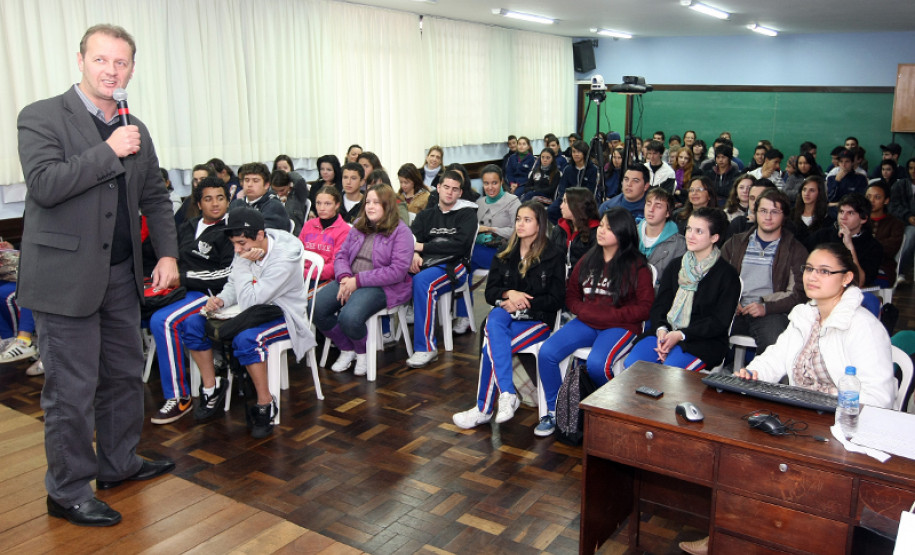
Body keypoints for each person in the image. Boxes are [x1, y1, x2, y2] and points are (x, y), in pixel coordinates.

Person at [16, 24, 179, 527]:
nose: (112, 71)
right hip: (64, 280)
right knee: (71, 389)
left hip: (120, 279)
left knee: (125, 377)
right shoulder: (41, 116)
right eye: (102, 60)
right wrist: (108, 150)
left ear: (133, 68)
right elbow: (45, 185)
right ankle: (66, 491)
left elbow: (154, 195)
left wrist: (169, 255)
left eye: (122, 63)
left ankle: (118, 463)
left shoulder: (137, 127)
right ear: (81, 61)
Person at [185, 207, 315, 438]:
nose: (237, 250)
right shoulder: (246, 247)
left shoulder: (284, 259)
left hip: (284, 313)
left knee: (246, 339)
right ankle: (211, 388)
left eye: (242, 244)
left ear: (260, 235)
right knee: (193, 324)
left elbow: (250, 300)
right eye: (234, 244)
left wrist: (244, 265)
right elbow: (235, 286)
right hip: (253, 311)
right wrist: (221, 300)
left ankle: (265, 403)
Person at [536, 208, 655, 436]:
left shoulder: (638, 266)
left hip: (621, 326)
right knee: (548, 352)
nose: (601, 231)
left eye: (609, 228)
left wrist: (608, 316)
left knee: (597, 365)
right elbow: (570, 294)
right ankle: (555, 411)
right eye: (601, 225)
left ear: (622, 233)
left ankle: (607, 412)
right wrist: (583, 310)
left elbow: (644, 308)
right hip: (587, 321)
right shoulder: (588, 259)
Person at [737, 242, 895, 408]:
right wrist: (750, 374)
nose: (812, 277)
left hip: (846, 423)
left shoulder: (864, 327)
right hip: (803, 415)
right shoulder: (805, 316)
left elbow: (879, 398)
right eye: (809, 268)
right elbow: (773, 359)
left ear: (846, 278)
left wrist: (823, 401)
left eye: (824, 271)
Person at [451, 202, 566, 430]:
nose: (520, 224)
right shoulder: (505, 253)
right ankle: (506, 393)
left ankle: (484, 409)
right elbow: (491, 293)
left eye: (527, 220)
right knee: (494, 319)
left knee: (490, 347)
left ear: (540, 224)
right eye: (518, 219)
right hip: (506, 317)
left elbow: (556, 300)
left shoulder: (553, 255)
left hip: (537, 319)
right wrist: (508, 293)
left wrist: (522, 302)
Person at [148, 177, 235, 425]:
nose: (215, 204)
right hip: (180, 291)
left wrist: (182, 278)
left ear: (228, 200)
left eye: (220, 198)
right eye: (208, 199)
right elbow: (170, 255)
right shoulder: (189, 225)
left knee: (162, 321)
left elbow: (226, 274)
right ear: (199, 203)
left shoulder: (230, 231)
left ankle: (179, 397)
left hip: (208, 294)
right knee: (138, 308)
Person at [313, 184, 413, 376]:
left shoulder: (401, 232)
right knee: (316, 308)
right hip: (349, 279)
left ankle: (362, 352)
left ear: (388, 205)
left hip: (383, 286)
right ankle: (347, 348)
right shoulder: (359, 224)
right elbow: (341, 255)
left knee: (349, 317)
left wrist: (357, 281)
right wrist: (344, 277)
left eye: (376, 202)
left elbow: (397, 271)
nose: (370, 207)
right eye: (368, 202)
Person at [624, 208, 740, 371]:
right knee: (632, 367)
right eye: (689, 229)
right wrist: (662, 330)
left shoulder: (727, 275)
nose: (690, 236)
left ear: (714, 237)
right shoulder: (676, 266)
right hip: (667, 332)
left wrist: (680, 335)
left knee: (669, 374)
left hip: (703, 342)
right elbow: (660, 306)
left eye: (699, 231)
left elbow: (719, 322)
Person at [721, 189, 808, 356]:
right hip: (734, 309)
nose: (768, 217)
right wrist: (730, 301)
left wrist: (766, 307)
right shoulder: (735, 243)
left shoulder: (795, 250)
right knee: (702, 329)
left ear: (784, 216)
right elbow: (717, 279)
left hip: (771, 312)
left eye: (775, 212)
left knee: (774, 341)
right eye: (763, 211)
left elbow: (799, 294)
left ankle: (761, 381)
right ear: (755, 212)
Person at [405, 170, 478, 368]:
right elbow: (411, 240)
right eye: (446, 187)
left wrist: (423, 247)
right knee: (394, 272)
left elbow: (459, 246)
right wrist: (414, 253)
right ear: (438, 188)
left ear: (460, 193)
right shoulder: (425, 216)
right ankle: (385, 331)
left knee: (423, 282)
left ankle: (426, 348)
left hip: (455, 265)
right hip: (426, 263)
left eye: (455, 189)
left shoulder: (467, 215)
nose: (449, 193)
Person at [806, 194, 883, 287]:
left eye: (850, 213)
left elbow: (860, 282)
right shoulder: (822, 235)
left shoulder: (873, 246)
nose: (843, 217)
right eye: (841, 212)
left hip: (851, 293)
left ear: (864, 219)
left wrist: (850, 246)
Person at [472, 165, 521, 273]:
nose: (490, 187)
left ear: (501, 181)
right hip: (481, 249)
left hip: (505, 252)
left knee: (468, 255)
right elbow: (471, 229)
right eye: (486, 183)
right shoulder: (478, 203)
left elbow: (517, 230)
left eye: (494, 183)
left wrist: (490, 229)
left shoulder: (513, 202)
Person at [298, 185, 351, 284]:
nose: (321, 208)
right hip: (301, 274)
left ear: (337, 205)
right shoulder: (309, 224)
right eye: (318, 203)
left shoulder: (345, 230)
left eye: (327, 204)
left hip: (324, 278)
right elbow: (297, 251)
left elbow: (335, 265)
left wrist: (306, 273)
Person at [638, 188, 686, 286]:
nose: (651, 209)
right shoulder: (631, 233)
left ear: (667, 213)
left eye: (658, 206)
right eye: (648, 203)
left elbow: (675, 282)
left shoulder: (679, 244)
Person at [549, 187, 600, 271]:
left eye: (565, 202)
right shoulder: (559, 229)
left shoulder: (596, 232)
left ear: (577, 206)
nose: (561, 206)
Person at [549, 140, 599, 223]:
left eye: (579, 152)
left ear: (585, 153)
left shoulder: (593, 169)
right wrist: (566, 200)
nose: (576, 154)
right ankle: (561, 230)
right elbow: (562, 188)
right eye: (574, 151)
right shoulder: (568, 169)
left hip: (584, 201)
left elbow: (591, 190)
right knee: (551, 210)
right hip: (567, 199)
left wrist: (577, 201)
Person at [229, 163, 289, 230]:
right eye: (246, 180)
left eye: (255, 181)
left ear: (266, 185)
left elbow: (264, 233)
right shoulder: (236, 204)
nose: (249, 184)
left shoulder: (273, 206)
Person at [866, 181, 905, 285]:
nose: (871, 201)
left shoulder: (895, 224)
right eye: (868, 197)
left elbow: (890, 248)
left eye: (877, 197)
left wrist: (865, 245)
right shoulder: (859, 220)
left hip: (883, 268)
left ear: (886, 200)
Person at [889, 157, 915, 281]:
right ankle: (894, 271)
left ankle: (900, 271)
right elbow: (893, 205)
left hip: (913, 225)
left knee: (911, 235)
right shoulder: (900, 184)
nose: (913, 171)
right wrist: (908, 216)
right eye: (911, 168)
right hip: (899, 221)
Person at [791, 176, 832, 245]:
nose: (806, 194)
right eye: (804, 189)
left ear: (820, 193)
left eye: (812, 190)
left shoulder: (826, 218)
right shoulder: (791, 215)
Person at [269, 170, 306, 234]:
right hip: (276, 232)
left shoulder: (297, 194)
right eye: (275, 190)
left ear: (289, 184)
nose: (279, 194)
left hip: (295, 233)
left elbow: (300, 180)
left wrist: (286, 174)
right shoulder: (272, 197)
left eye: (282, 190)